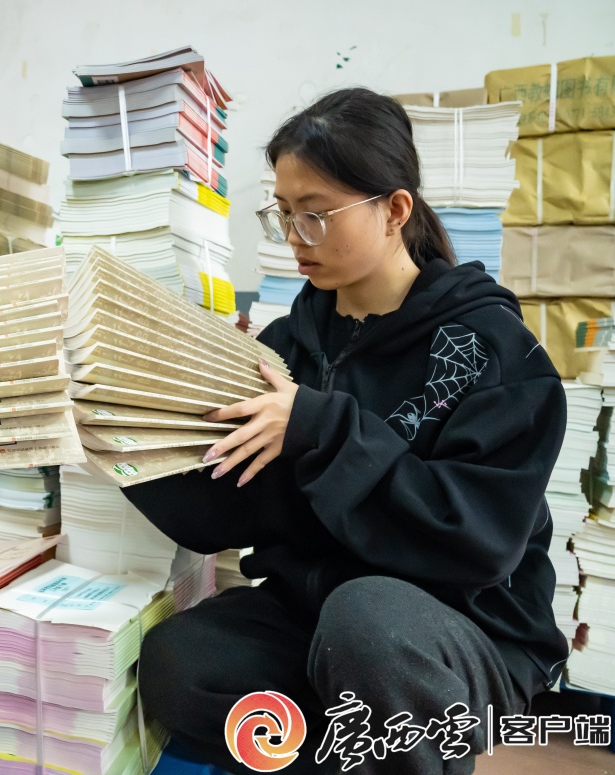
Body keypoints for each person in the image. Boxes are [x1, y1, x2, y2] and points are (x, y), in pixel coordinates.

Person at [125, 88, 568, 775]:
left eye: (317, 214)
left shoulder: (494, 352)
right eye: (283, 213)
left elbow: (479, 542)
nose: (296, 236)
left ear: (395, 210)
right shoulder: (287, 345)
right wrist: (122, 436)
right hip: (319, 610)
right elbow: (223, 510)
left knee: (369, 625)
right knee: (183, 662)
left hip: (459, 629)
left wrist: (319, 428)